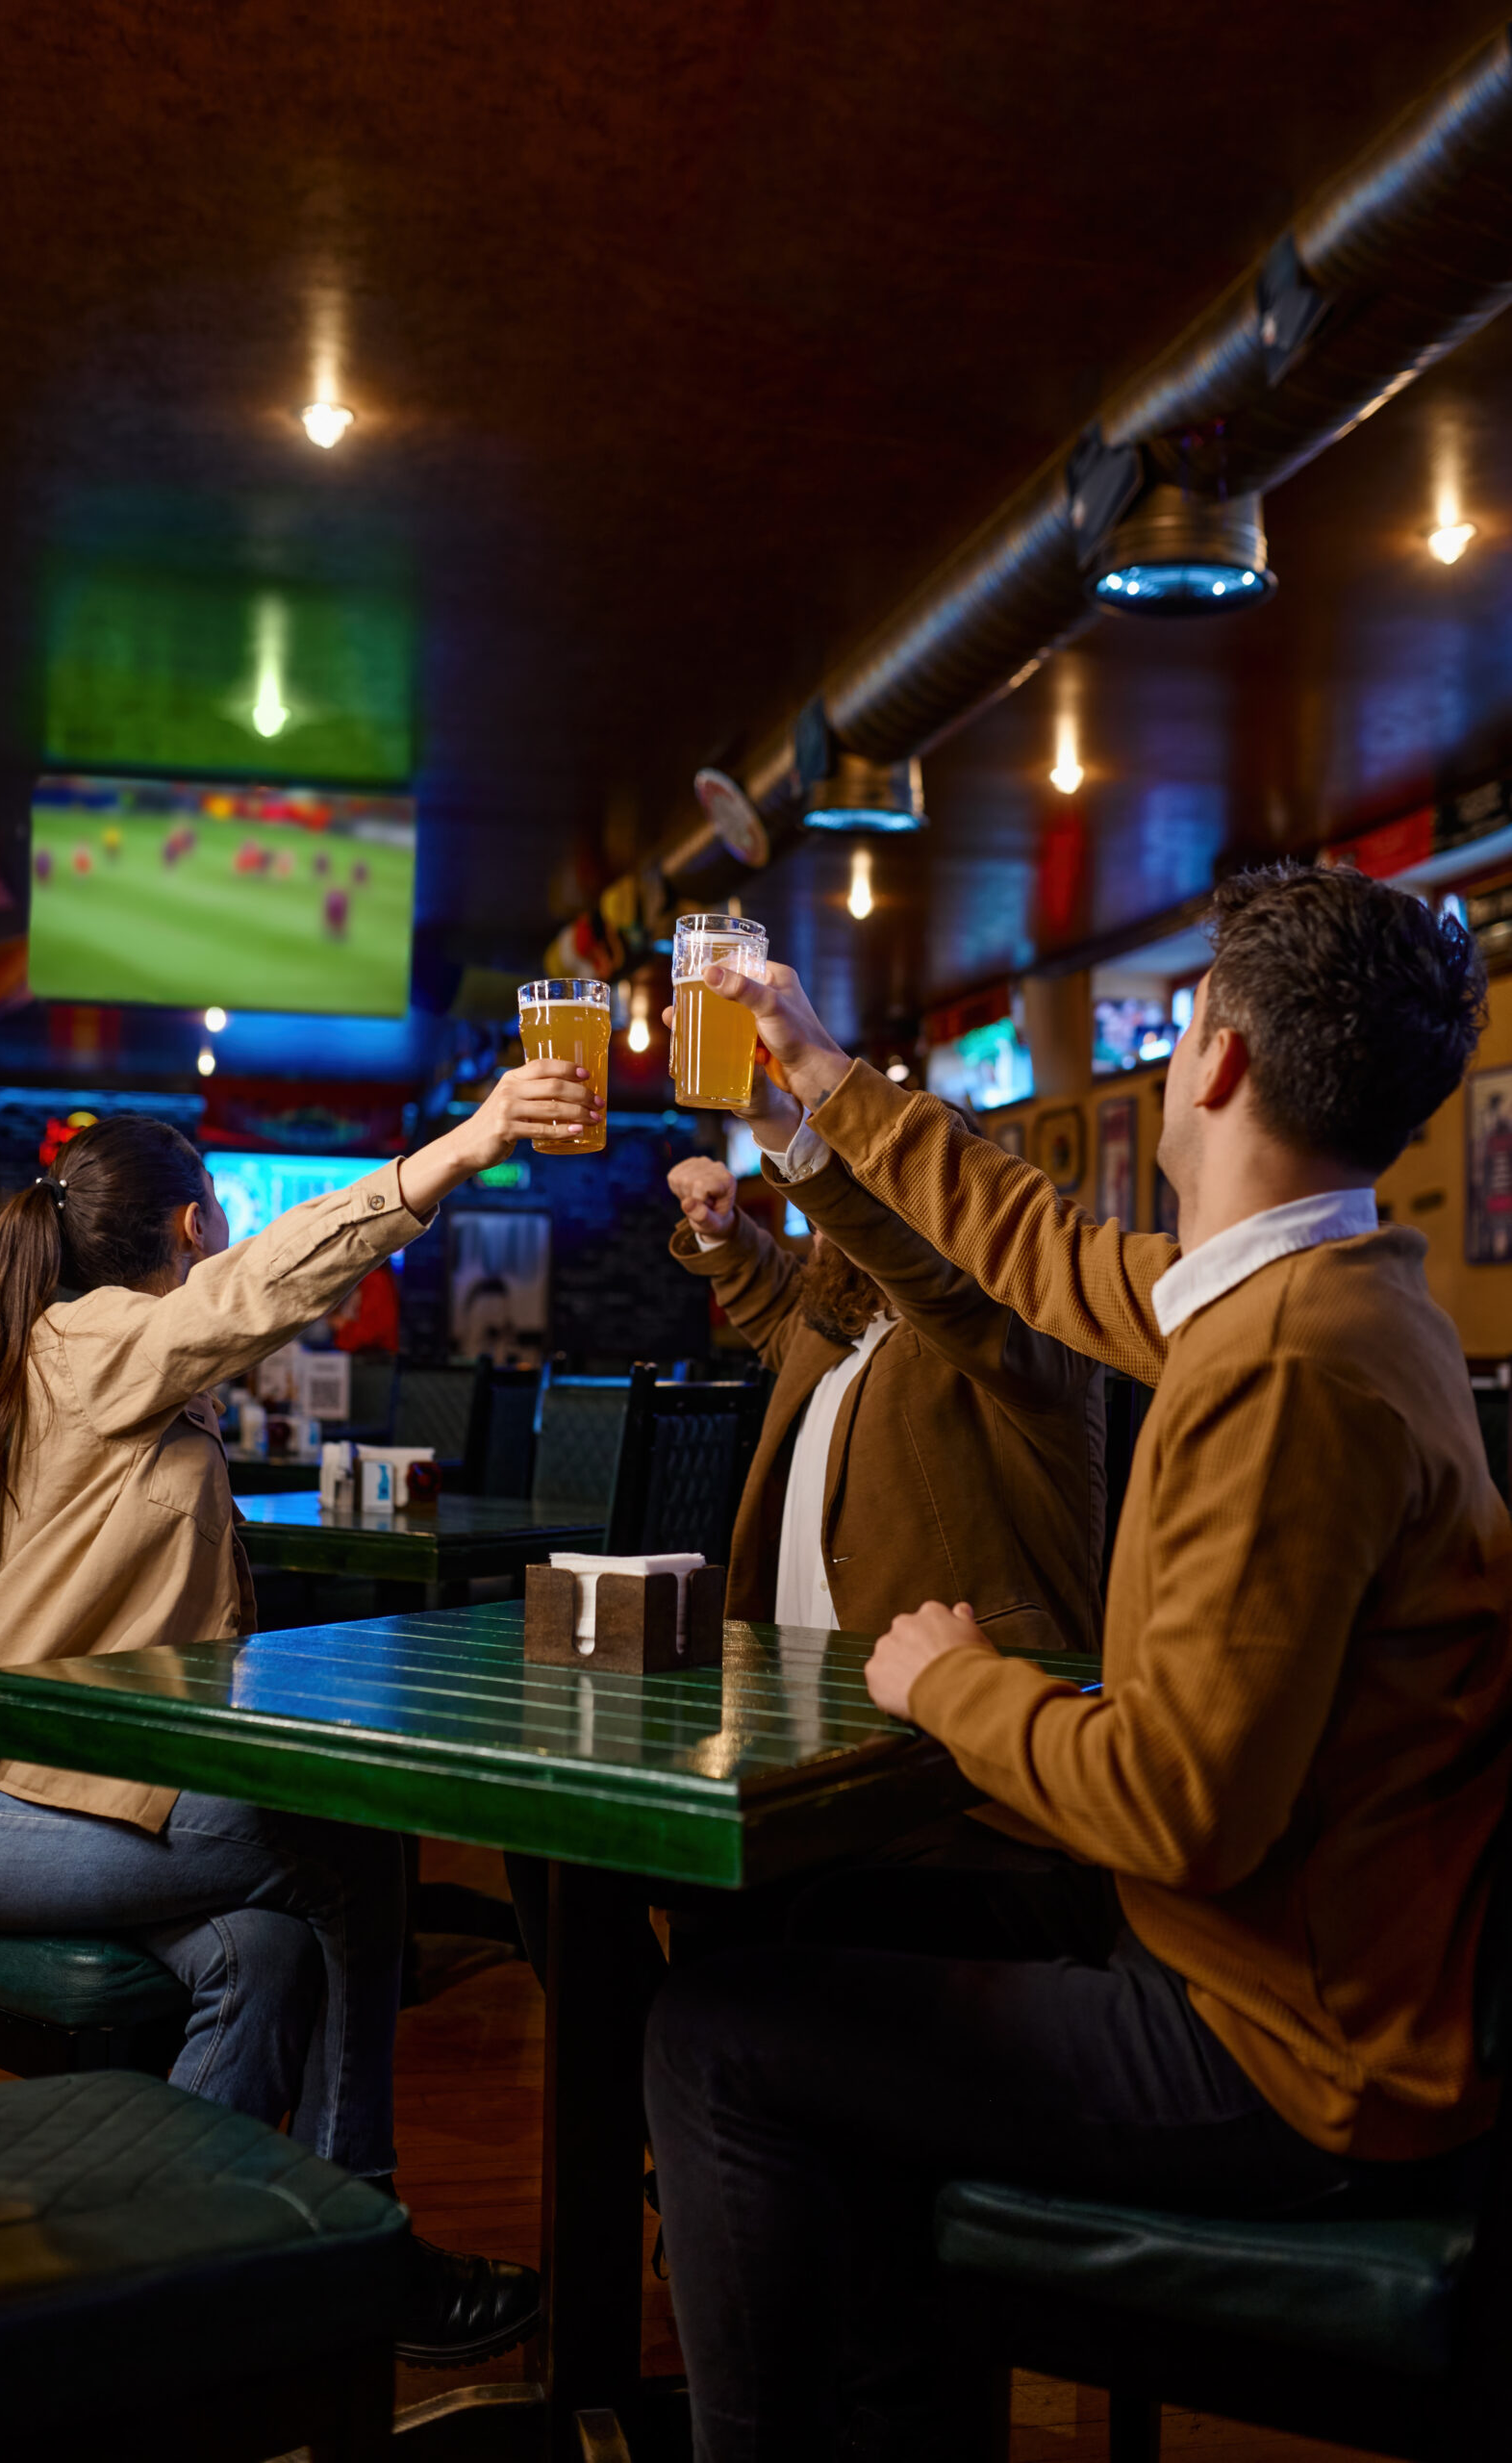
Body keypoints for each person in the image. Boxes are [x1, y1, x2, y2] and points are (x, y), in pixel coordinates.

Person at [643, 863, 1512, 2461]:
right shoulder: (1311, 1296)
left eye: (1182, 1024)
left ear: (1218, 1064)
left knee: (714, 2044)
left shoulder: (1286, 1377)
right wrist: (822, 1078)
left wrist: (952, 1681)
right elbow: (1035, 1248)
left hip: (1286, 2056)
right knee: (824, 1922)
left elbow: (1184, 1811)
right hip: (1290, 1971)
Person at [0, 1053, 605, 2367]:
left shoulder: (93, 1356)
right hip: (3, 1808)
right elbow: (256, 1292)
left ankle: (164, 2289)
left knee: (266, 1954)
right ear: (193, 1222)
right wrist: (452, 1151)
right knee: (347, 1841)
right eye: (218, 1209)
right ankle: (368, 2245)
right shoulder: (91, 1343)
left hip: (87, 1795)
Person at [666, 1069, 1103, 1654]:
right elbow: (781, 1315)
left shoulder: (1013, 1316)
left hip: (969, 1694)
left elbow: (939, 1290)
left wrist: (784, 1133)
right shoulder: (847, 1320)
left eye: (845, 1192)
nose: (819, 1223)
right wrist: (724, 1234)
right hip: (805, 1675)